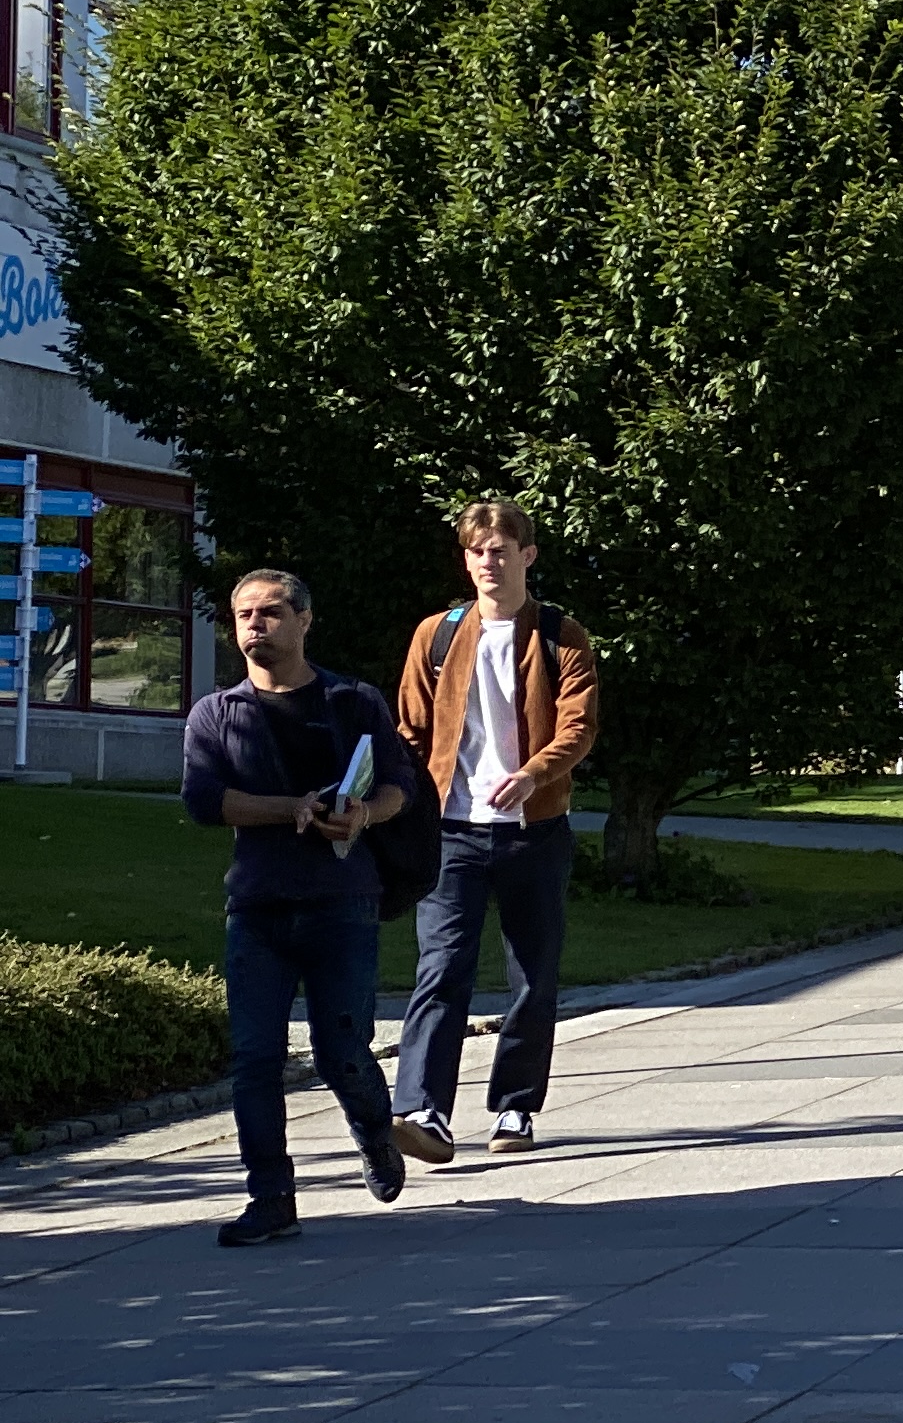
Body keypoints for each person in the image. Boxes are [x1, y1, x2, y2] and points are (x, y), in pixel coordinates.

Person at [180, 571, 425, 1247]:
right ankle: (270, 1196)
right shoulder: (216, 714)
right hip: (258, 908)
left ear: (305, 620)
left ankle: (376, 1132)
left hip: (341, 903)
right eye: (244, 614)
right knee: (255, 1057)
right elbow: (204, 798)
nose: (256, 625)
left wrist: (364, 816)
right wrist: (289, 809)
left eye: (271, 612)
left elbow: (401, 783)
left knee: (340, 1049)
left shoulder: (352, 701)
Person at [388, 501, 601, 1162]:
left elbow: (579, 726)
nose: (488, 561)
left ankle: (514, 1109)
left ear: (528, 556)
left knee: (532, 978)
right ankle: (422, 1110)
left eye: (501, 549)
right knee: (440, 970)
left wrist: (535, 775)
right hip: (451, 832)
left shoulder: (562, 636)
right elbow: (410, 729)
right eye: (477, 551)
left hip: (534, 830)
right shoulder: (439, 635)